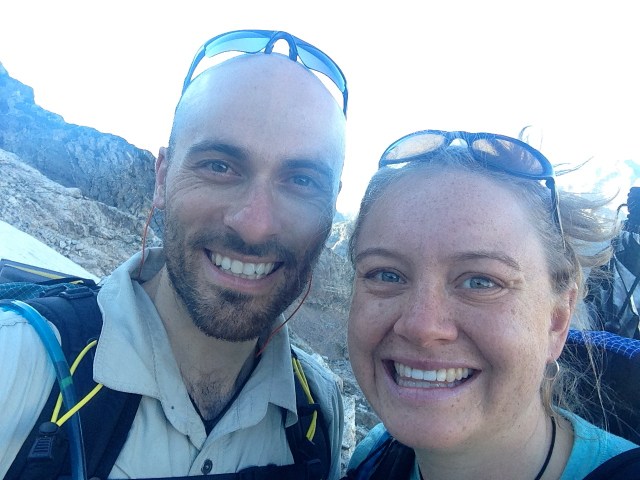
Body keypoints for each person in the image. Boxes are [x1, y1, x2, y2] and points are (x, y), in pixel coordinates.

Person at [0, 30, 347, 479]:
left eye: (301, 180)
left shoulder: (318, 412)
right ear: (162, 177)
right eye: (219, 166)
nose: (255, 224)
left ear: (330, 208)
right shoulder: (16, 362)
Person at [344, 130, 640, 479]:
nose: (421, 326)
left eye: (481, 282)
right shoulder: (373, 456)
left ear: (557, 320)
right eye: (387, 275)